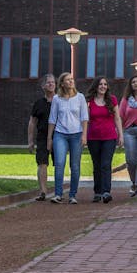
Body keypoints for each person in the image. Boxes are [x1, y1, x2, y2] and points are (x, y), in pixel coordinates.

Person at [46, 72, 88, 204]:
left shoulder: (80, 97)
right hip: (60, 134)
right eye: (67, 80)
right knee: (59, 164)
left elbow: (84, 118)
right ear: (62, 83)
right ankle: (58, 194)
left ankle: (72, 195)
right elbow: (52, 119)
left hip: (76, 134)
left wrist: (84, 135)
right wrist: (49, 138)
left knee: (74, 166)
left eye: (72, 79)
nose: (71, 81)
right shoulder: (57, 99)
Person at [86, 77, 123, 202]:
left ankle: (106, 192)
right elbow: (85, 120)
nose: (103, 86)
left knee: (106, 164)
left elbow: (117, 118)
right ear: (96, 86)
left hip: (109, 137)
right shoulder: (89, 101)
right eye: (100, 84)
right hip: (93, 137)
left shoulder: (112, 100)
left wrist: (121, 135)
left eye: (105, 84)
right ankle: (97, 192)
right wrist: (84, 136)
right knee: (97, 165)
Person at [26, 73, 57, 200]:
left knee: (59, 164)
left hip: (59, 137)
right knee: (42, 163)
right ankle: (43, 192)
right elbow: (32, 122)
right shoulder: (38, 103)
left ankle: (58, 191)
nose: (51, 84)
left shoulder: (60, 101)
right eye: (48, 82)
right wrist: (30, 141)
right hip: (42, 137)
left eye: (53, 82)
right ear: (43, 86)